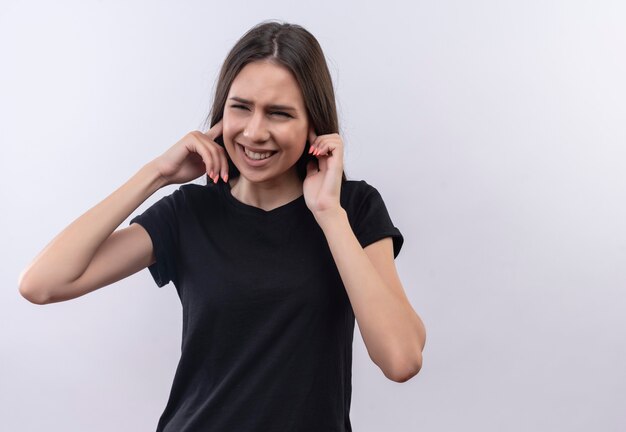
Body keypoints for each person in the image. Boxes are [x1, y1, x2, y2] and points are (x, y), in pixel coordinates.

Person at [18, 20, 426, 432]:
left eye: (279, 113)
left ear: (313, 125)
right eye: (241, 107)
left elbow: (401, 359)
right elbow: (41, 284)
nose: (254, 132)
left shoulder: (351, 208)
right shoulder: (189, 213)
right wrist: (156, 173)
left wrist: (329, 214)